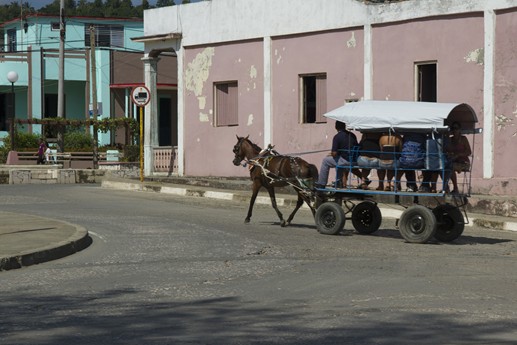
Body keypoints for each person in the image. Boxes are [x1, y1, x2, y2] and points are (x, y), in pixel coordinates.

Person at [315, 121, 363, 188]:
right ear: (344, 126)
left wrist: (331, 154)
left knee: (326, 161)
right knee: (338, 161)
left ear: (336, 127)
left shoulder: (337, 137)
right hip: (354, 160)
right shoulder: (352, 135)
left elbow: (334, 153)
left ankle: (321, 183)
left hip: (346, 161)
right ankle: (338, 181)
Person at [446, 121, 472, 193]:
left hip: (464, 162)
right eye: (453, 128)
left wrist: (459, 155)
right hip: (454, 162)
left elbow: (469, 152)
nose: (455, 130)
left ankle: (455, 188)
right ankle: (446, 187)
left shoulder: (463, 139)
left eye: (456, 128)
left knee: (450, 167)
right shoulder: (450, 140)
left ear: (459, 129)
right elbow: (447, 150)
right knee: (444, 167)